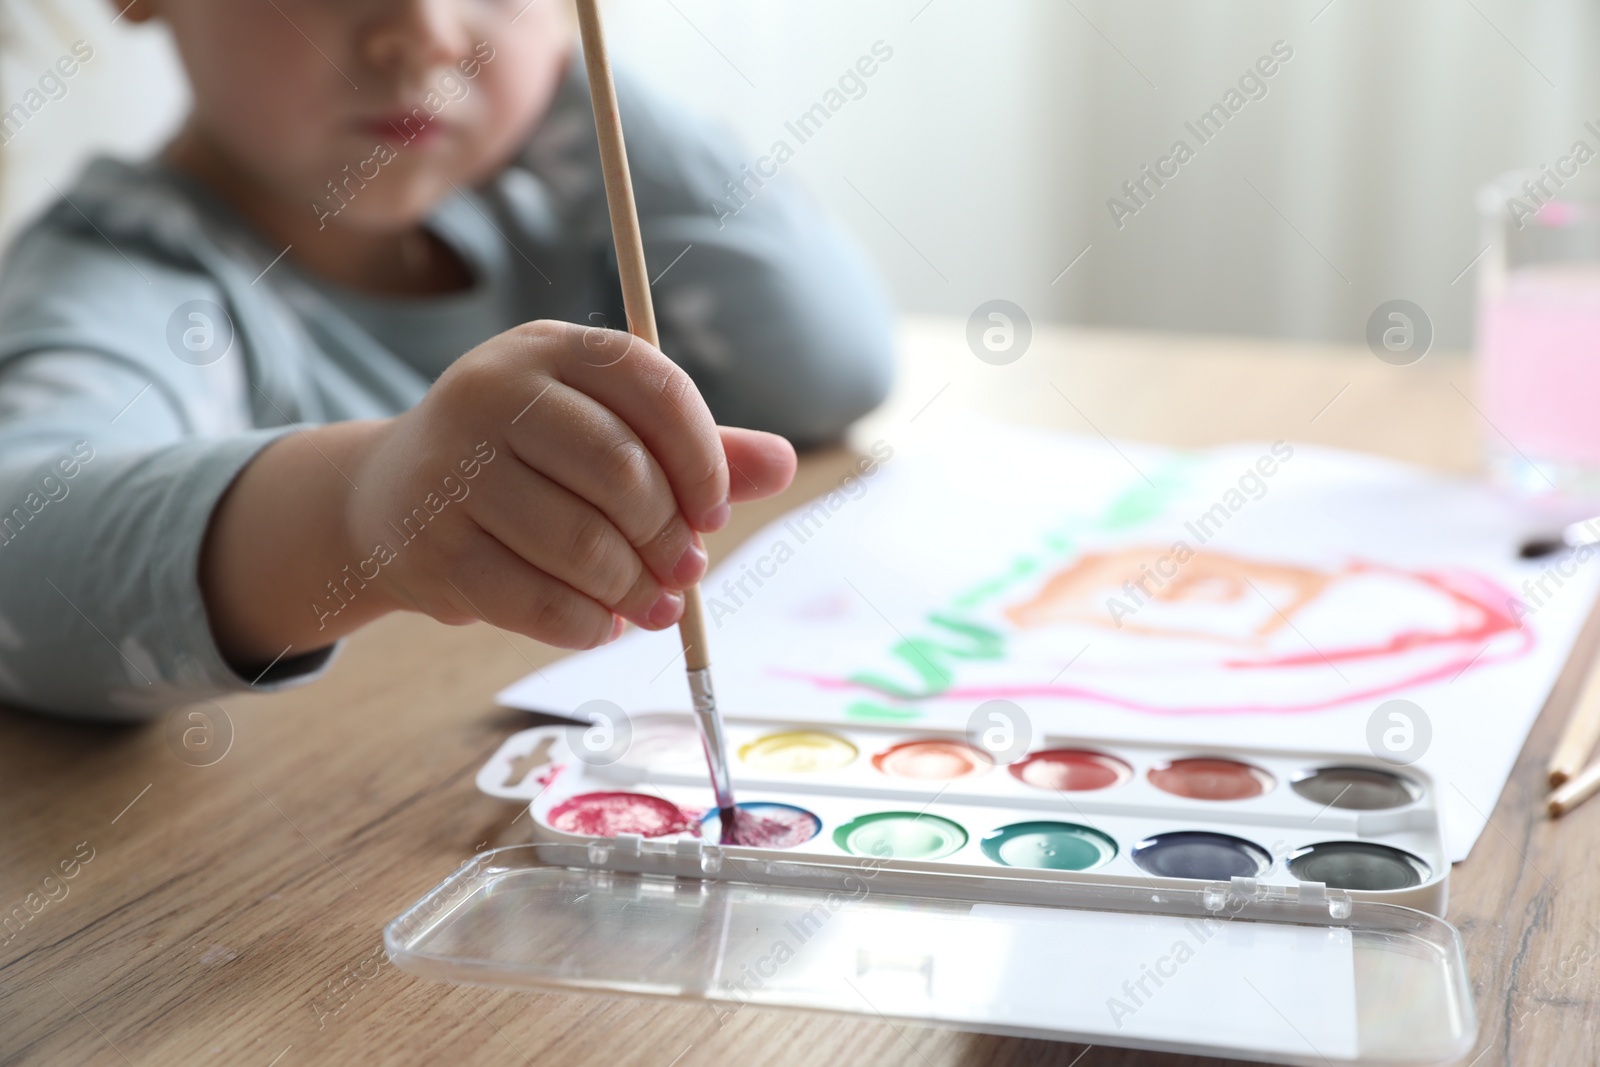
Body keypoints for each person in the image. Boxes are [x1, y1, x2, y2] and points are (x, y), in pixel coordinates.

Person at [0, 0, 894, 720]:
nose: (425, 32)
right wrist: (359, 516)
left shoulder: (539, 211)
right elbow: (21, 552)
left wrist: (554, 68)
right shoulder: (134, 276)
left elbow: (825, 367)